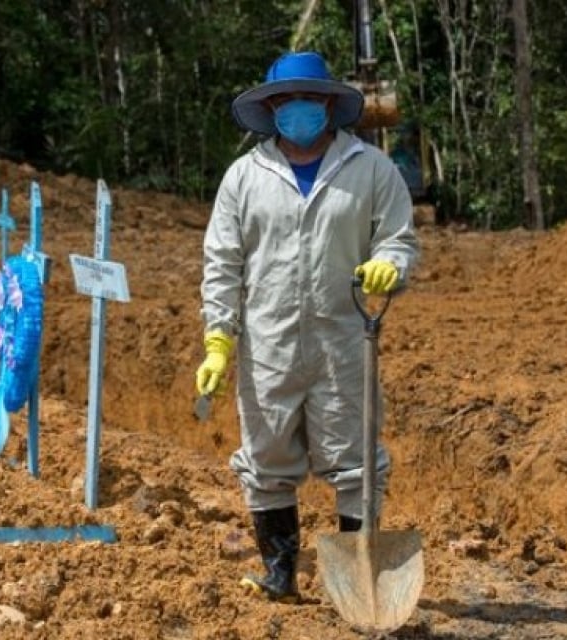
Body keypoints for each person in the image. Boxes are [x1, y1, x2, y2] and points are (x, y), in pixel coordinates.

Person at [196, 51, 419, 601]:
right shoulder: (244, 177)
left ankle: (359, 582)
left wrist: (389, 265)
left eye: (310, 99)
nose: (298, 109)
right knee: (267, 457)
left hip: (344, 338)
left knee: (356, 461)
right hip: (266, 343)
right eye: (286, 100)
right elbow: (222, 263)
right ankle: (279, 574)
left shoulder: (371, 169)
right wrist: (219, 341)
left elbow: (398, 237)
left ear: (328, 105)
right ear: (271, 108)